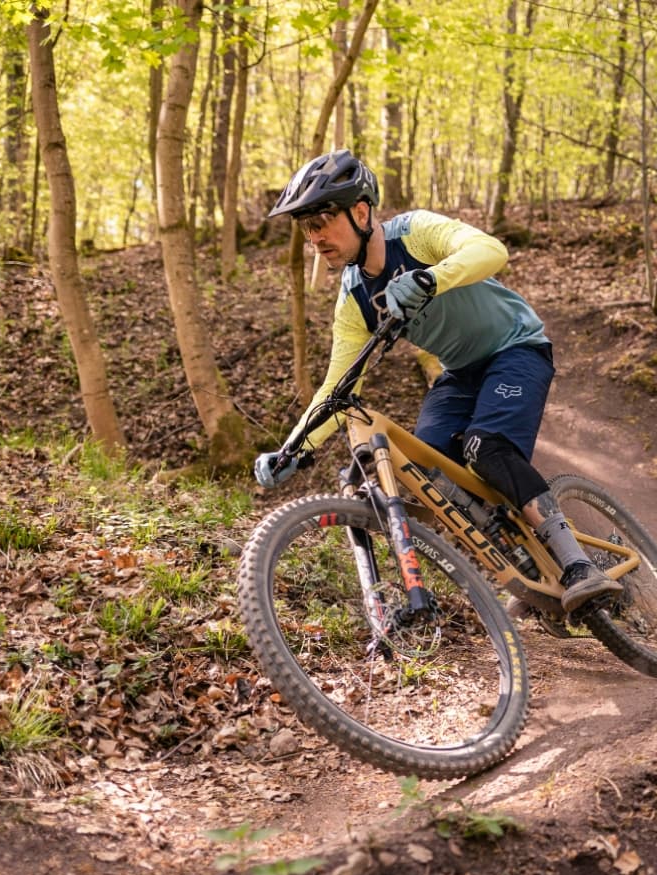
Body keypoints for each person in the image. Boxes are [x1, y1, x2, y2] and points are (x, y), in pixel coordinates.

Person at [253, 149, 621, 615]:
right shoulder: (354, 300)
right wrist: (294, 447)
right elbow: (337, 387)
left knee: (485, 448)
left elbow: (492, 251)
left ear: (361, 211)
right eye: (306, 227)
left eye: (323, 220)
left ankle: (578, 566)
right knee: (420, 466)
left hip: (516, 348)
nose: (315, 237)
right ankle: (530, 564)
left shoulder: (415, 232)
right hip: (459, 373)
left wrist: (431, 278)